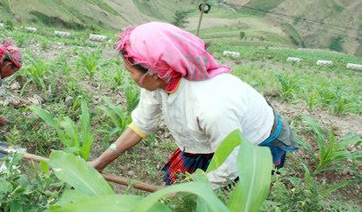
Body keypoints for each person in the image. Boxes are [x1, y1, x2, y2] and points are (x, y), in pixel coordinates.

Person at [90, 22, 297, 187]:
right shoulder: (161, 80)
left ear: (155, 71)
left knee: (226, 203)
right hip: (216, 139)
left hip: (252, 146)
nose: (130, 76)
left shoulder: (211, 106)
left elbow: (231, 162)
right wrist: (99, 163)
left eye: (130, 71)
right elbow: (140, 125)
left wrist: (191, 193)